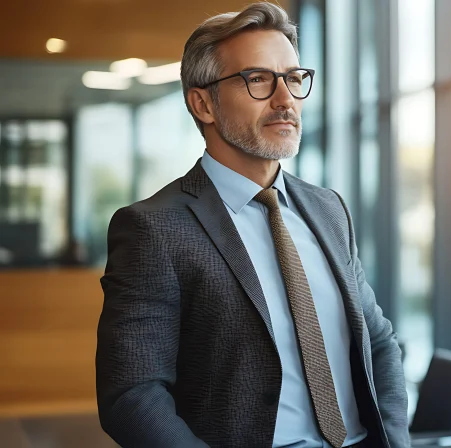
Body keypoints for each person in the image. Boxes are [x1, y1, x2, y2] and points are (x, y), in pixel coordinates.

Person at [95, 2, 409, 447]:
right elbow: (132, 395)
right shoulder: (154, 229)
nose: (285, 100)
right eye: (258, 79)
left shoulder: (328, 209)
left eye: (294, 79)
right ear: (202, 103)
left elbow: (377, 342)